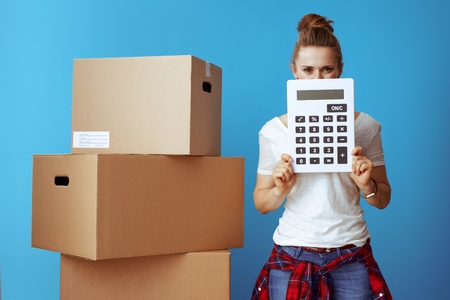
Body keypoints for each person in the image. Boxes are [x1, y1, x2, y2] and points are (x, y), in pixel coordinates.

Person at [251, 14, 392, 300]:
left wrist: (367, 187)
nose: (317, 79)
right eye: (308, 70)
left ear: (340, 70)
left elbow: (383, 199)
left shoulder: (366, 126)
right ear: (295, 71)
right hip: (292, 252)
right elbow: (261, 203)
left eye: (327, 69)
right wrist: (280, 190)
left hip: (350, 252)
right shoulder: (273, 131)